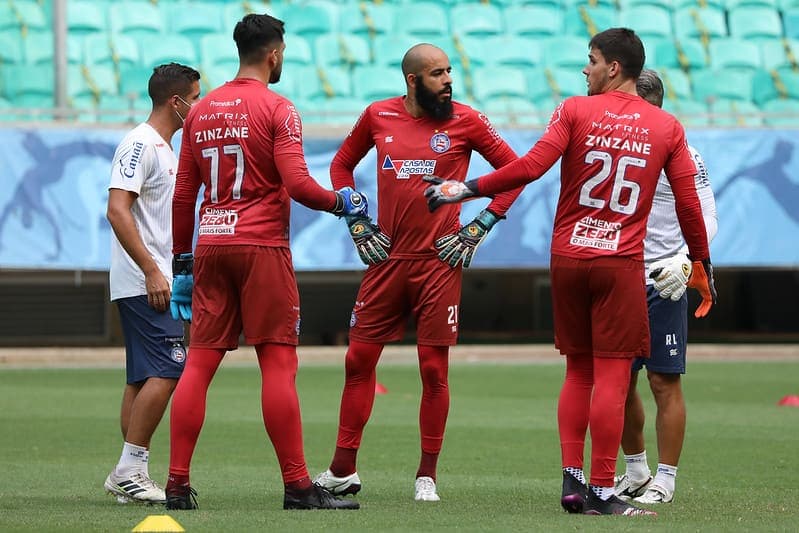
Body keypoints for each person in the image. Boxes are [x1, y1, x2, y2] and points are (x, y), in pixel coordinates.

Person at [423, 28, 717, 516]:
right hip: (621, 262)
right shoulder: (667, 127)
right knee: (613, 377)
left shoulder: (574, 111)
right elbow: (688, 203)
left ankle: (572, 479)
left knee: (577, 371)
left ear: (614, 68)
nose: (586, 68)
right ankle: (603, 491)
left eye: (592, 60)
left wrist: (466, 188)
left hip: (568, 258)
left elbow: (532, 167)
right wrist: (702, 263)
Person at [165, 13, 365, 511]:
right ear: (274, 53)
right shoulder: (279, 107)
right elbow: (298, 185)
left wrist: (181, 260)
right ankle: (298, 486)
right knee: (277, 363)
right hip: (261, 247)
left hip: (210, 244)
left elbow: (184, 192)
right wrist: (342, 203)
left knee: (200, 362)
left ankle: (175, 484)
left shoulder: (201, 109)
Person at [313, 43, 523, 503]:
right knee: (357, 361)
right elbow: (341, 164)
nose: (448, 80)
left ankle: (426, 475)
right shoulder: (378, 115)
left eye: (449, 71)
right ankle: (343, 469)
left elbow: (516, 171)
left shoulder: (467, 120)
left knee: (432, 369)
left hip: (439, 263)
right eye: (437, 74)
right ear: (412, 81)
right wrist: (354, 216)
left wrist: (479, 226)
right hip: (385, 259)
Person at [614, 69, 718, 505]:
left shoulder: (684, 152)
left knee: (663, 381)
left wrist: (684, 260)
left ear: (653, 105)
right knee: (616, 382)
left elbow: (707, 216)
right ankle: (635, 468)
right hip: (616, 273)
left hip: (663, 277)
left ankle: (667, 479)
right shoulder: (613, 145)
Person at [104, 63, 201, 504]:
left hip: (154, 276)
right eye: (196, 98)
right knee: (170, 365)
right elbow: (117, 210)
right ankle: (130, 468)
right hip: (145, 279)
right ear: (176, 102)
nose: (199, 106)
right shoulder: (139, 143)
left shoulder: (166, 148)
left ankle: (129, 474)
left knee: (142, 377)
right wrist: (151, 269)